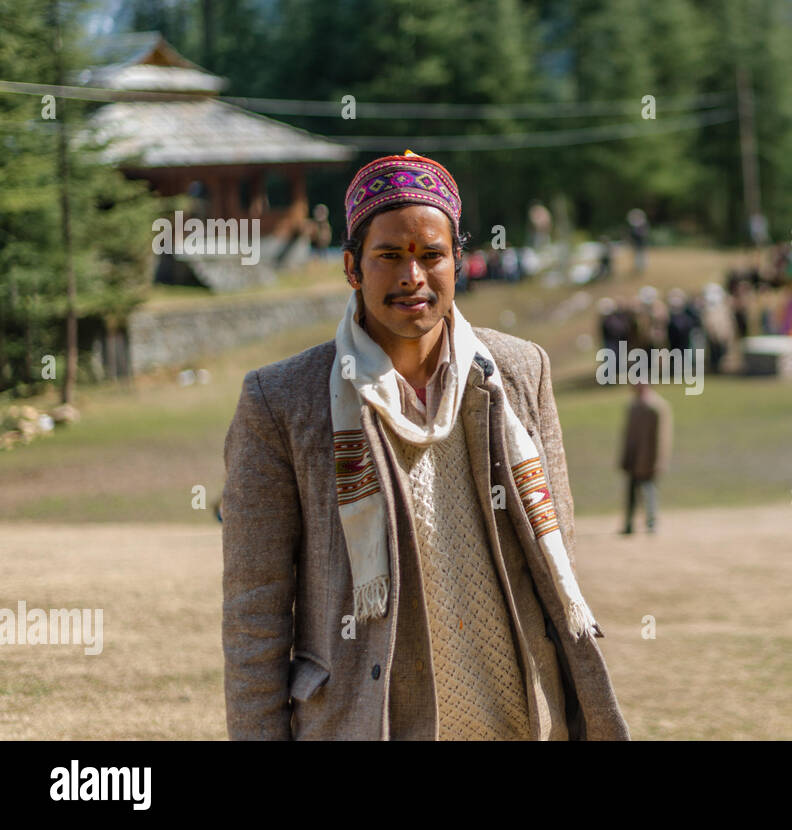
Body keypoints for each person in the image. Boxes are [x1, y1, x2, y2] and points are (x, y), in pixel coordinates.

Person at [222, 151, 629, 741]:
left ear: (457, 262)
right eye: (388, 255)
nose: (412, 277)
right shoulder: (282, 401)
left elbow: (554, 548)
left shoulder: (518, 372)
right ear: (351, 267)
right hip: (367, 723)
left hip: (520, 720)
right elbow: (255, 612)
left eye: (430, 255)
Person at [619, 381, 672, 534]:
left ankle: (651, 523)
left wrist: (657, 461)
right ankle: (628, 524)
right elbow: (628, 435)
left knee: (649, 492)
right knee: (631, 493)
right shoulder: (633, 407)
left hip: (649, 459)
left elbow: (661, 437)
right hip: (633, 458)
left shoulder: (657, 407)